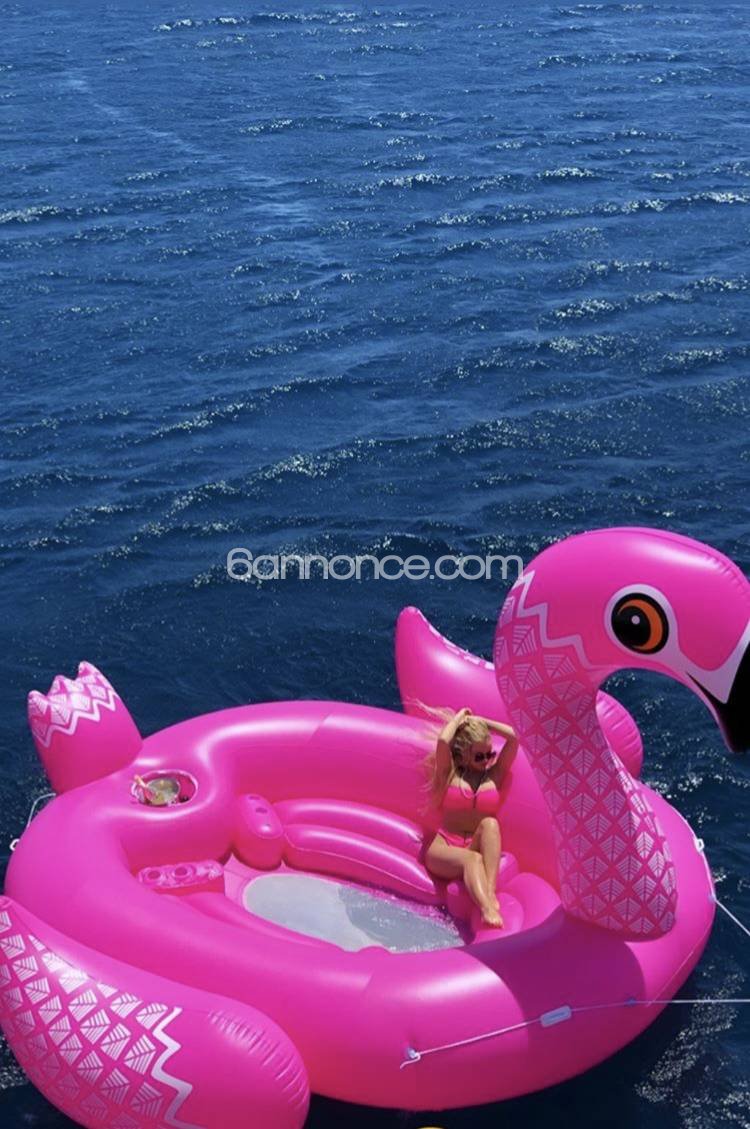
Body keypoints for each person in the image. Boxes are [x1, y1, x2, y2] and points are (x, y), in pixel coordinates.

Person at [423, 706, 518, 928]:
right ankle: (487, 909)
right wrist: (459, 719)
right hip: (445, 847)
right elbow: (443, 742)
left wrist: (483, 721)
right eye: (479, 756)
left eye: (490, 754)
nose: (486, 760)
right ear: (464, 753)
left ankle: (490, 893)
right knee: (472, 859)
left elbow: (514, 738)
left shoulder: (494, 775)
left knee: (490, 823)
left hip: (473, 844)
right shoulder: (449, 774)